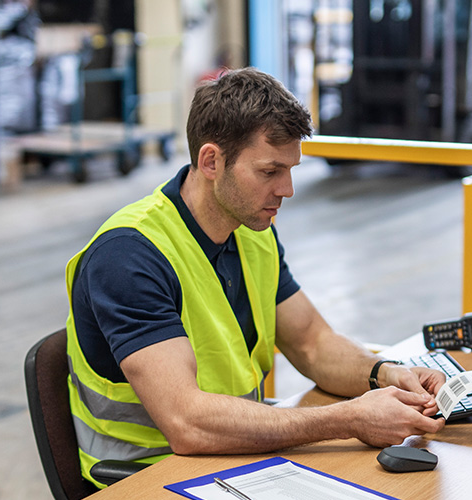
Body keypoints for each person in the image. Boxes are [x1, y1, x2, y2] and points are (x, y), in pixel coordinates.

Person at [64, 67, 446, 488]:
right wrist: (350, 418)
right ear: (211, 161)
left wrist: (385, 373)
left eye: (291, 169)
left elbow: (313, 344)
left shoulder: (251, 232)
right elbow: (187, 422)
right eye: (270, 172)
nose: (287, 189)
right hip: (147, 478)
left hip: (234, 459)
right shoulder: (129, 256)